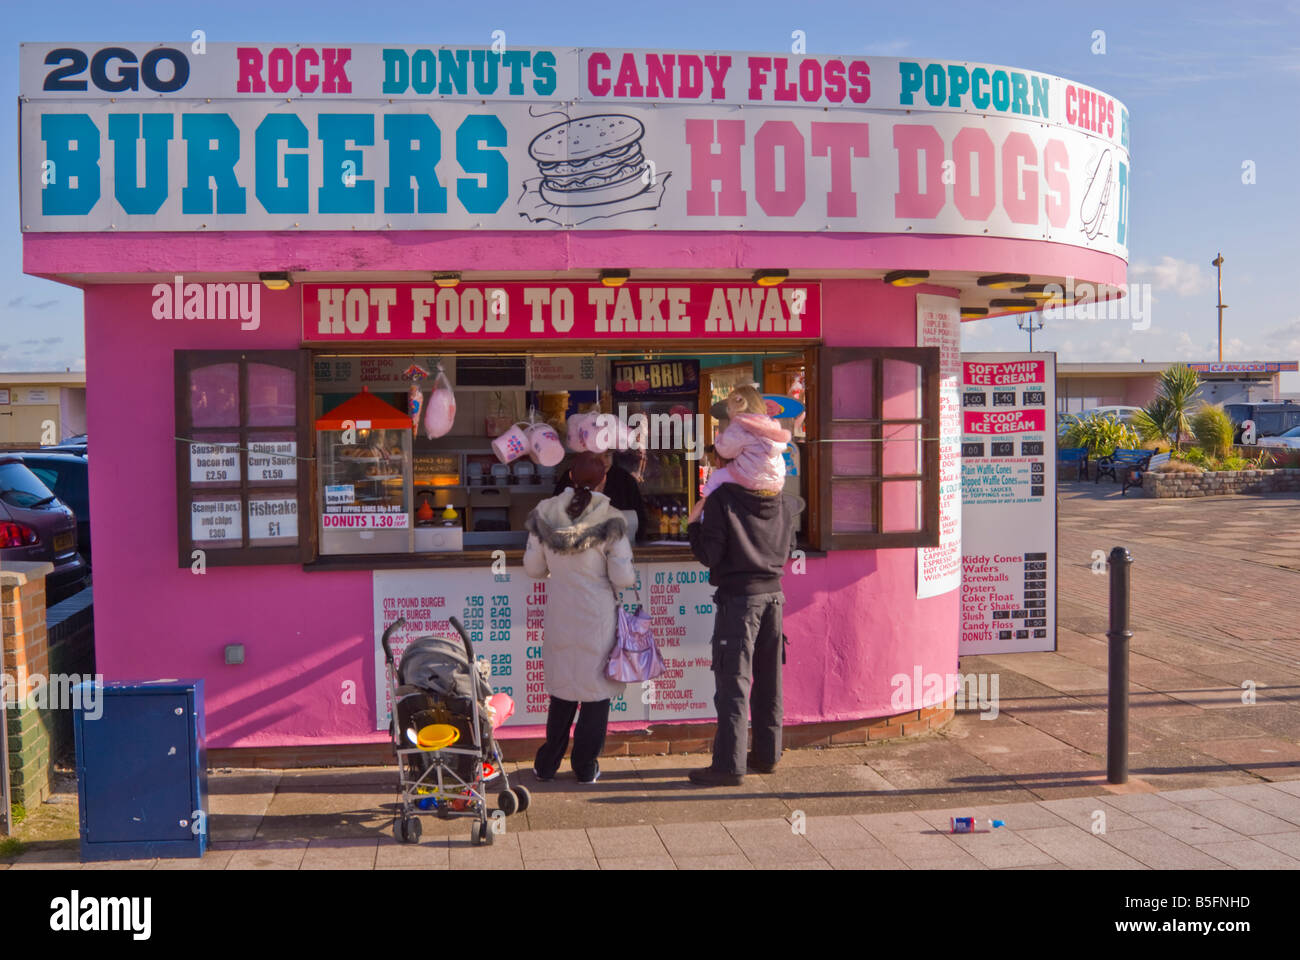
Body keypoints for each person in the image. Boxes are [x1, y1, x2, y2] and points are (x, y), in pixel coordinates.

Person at [685, 468, 802, 786]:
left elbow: (710, 555)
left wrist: (693, 526)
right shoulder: (781, 500)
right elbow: (789, 548)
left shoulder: (723, 499)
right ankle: (767, 755)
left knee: (733, 684)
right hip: (775, 597)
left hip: (739, 603)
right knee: (769, 680)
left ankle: (728, 766)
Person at [525, 451, 636, 783]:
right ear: (603, 479)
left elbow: (533, 569)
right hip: (597, 616)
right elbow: (624, 579)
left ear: (570, 477)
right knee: (595, 694)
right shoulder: (613, 518)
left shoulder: (544, 513)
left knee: (562, 690)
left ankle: (546, 764)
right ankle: (585, 767)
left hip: (560, 612)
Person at [699, 385, 792, 500]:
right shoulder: (770, 423)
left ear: (736, 409)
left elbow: (726, 451)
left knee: (717, 477)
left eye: (729, 408)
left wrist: (719, 439)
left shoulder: (740, 425)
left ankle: (705, 502)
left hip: (751, 477)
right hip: (775, 480)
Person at [554, 449, 647, 542]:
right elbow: (556, 518)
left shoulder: (625, 480)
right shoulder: (572, 476)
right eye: (598, 457)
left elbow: (640, 518)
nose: (604, 461)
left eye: (607, 456)